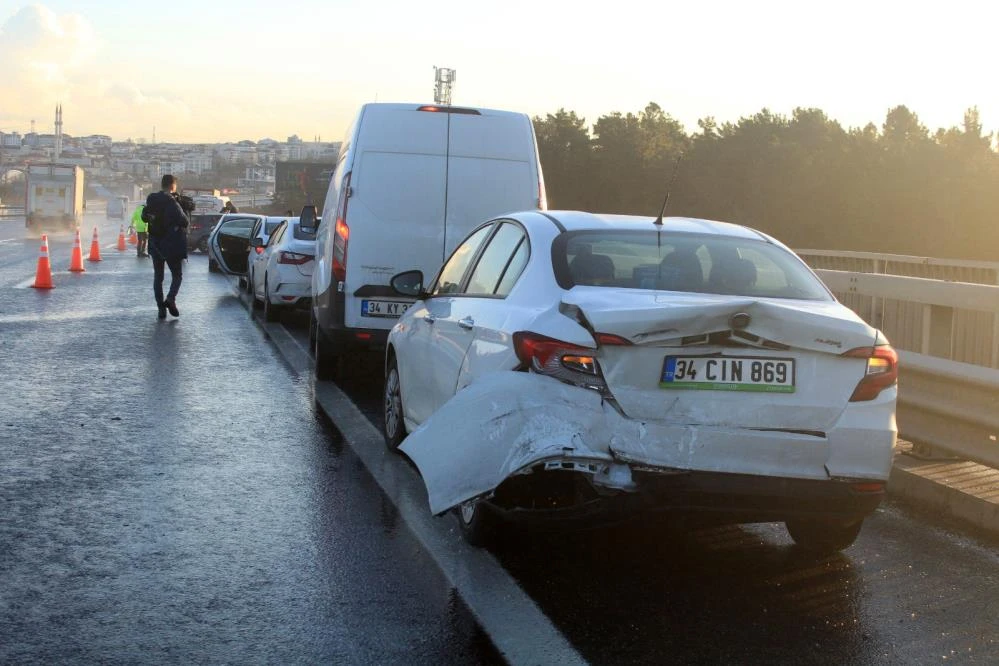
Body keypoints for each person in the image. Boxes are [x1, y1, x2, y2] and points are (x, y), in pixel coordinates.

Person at [145, 174, 189, 319]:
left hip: (155, 243)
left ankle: (160, 309)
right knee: (177, 275)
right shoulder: (172, 202)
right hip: (171, 245)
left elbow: (144, 216)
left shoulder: (151, 199)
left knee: (158, 277)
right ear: (172, 186)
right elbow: (184, 221)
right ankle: (170, 299)